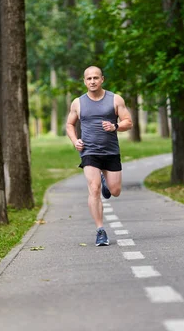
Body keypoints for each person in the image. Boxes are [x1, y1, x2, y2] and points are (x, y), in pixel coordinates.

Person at [66, 66, 133, 246]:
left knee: (115, 191)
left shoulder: (115, 99)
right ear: (84, 81)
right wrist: (75, 141)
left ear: (102, 79)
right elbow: (69, 124)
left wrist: (115, 127)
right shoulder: (78, 103)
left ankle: (106, 181)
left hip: (111, 151)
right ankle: (100, 230)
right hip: (89, 152)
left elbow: (129, 122)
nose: (92, 81)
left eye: (96, 78)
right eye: (89, 79)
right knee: (93, 189)